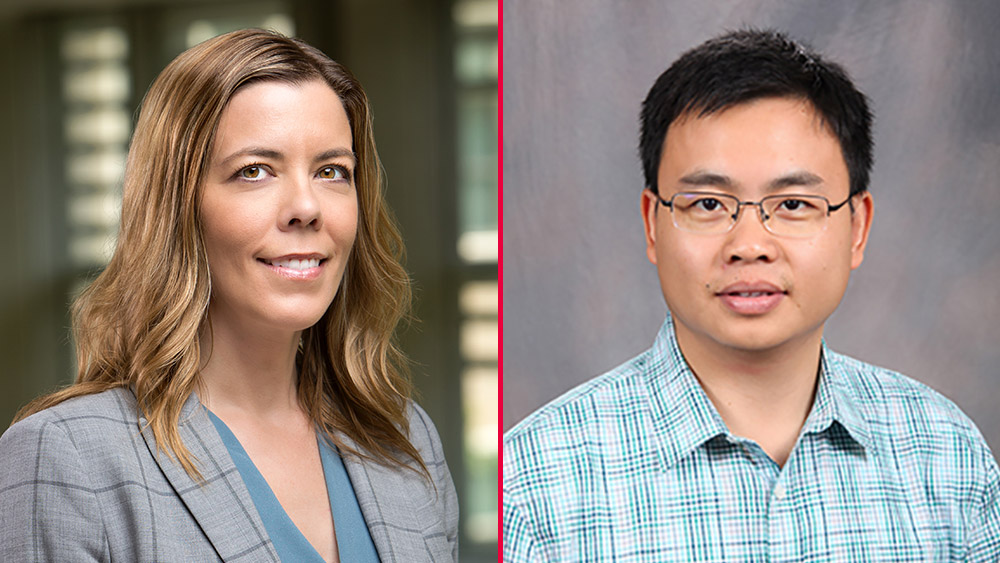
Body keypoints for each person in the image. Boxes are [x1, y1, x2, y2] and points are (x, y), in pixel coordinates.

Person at [503, 29, 999, 561]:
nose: (749, 246)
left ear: (857, 226)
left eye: (793, 205)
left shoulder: (946, 457)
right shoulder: (535, 484)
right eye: (709, 205)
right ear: (653, 223)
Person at [0, 29, 457, 562]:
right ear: (177, 209)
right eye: (255, 171)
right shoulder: (65, 458)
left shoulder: (405, 441)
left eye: (332, 171)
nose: (306, 207)